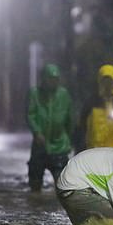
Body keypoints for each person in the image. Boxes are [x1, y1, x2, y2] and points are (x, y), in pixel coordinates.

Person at [26, 63, 74, 193]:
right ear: (44, 79)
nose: (53, 82)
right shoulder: (35, 94)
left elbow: (70, 119)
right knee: (35, 182)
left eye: (55, 79)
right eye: (50, 79)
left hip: (60, 145)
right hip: (40, 145)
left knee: (64, 185)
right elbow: (30, 115)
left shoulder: (63, 95)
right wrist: (37, 132)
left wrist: (68, 139)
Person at [77, 64, 113, 151]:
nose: (107, 85)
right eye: (104, 81)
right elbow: (82, 129)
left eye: (110, 81)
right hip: (96, 155)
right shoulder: (91, 104)